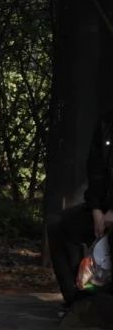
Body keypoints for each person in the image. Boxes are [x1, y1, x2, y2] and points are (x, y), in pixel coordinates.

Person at [49, 111, 113, 307]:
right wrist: (96, 209)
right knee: (59, 225)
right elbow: (95, 170)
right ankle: (79, 303)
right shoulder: (106, 123)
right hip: (103, 209)